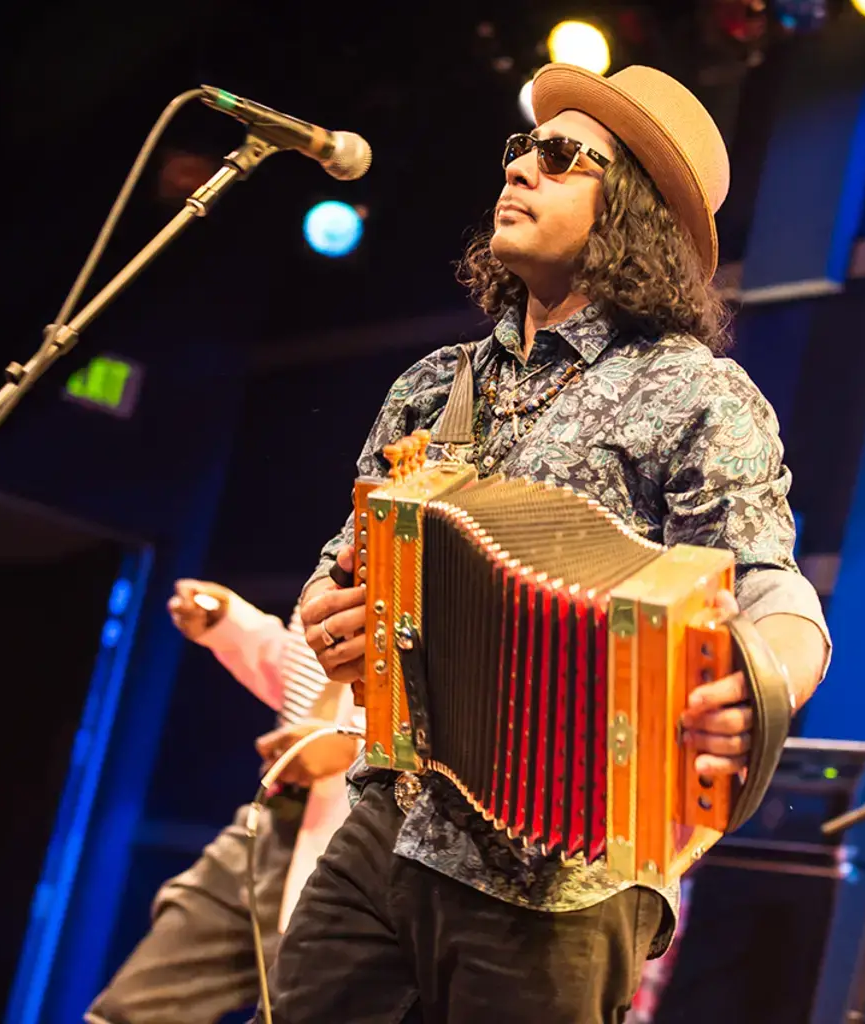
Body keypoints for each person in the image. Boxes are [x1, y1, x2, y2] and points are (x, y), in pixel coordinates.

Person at [266, 63, 834, 1024]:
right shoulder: (431, 386)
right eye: (521, 150)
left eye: (563, 157)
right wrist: (326, 613)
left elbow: (773, 589)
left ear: (632, 214)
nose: (522, 168)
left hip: (567, 874)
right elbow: (347, 557)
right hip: (387, 823)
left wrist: (759, 680)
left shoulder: (697, 396)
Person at [85, 579, 360, 1024]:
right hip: (278, 819)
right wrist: (234, 626)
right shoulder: (349, 532)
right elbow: (317, 688)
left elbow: (456, 713)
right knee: (131, 1012)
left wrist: (353, 750)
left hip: (364, 842)